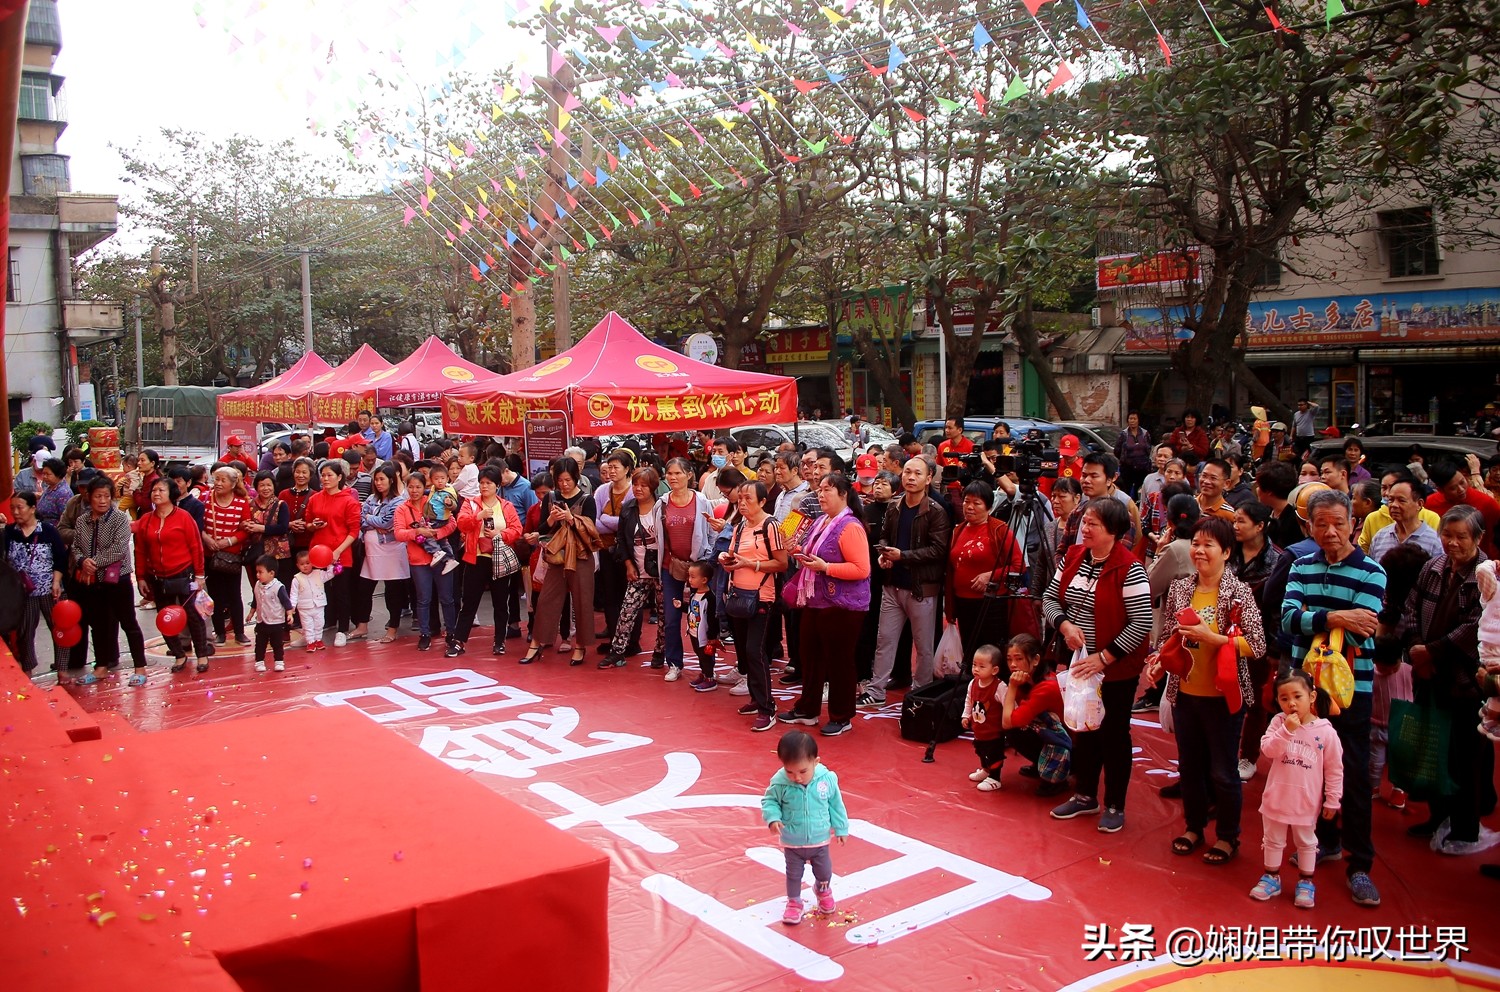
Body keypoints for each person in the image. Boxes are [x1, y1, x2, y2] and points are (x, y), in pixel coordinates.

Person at [1280, 488, 1387, 907]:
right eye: (1320, 524)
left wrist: (1317, 619)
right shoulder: (1301, 565)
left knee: (1353, 774)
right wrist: (1337, 616)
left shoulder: (1372, 571)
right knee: (1310, 769)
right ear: (1308, 526)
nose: (1330, 532)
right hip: (1304, 692)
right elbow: (1289, 619)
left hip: (1351, 690)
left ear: (1353, 525)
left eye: (1338, 524)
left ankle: (1360, 863)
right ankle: (1324, 842)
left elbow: (1366, 625)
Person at [1153, 517, 1268, 866]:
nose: (1200, 551)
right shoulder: (1181, 588)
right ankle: (1193, 826)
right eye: (1196, 544)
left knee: (1222, 770)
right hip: (1186, 692)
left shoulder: (1239, 592)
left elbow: (1258, 645)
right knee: (1189, 766)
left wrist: (1215, 639)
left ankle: (1228, 836)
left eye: (1209, 545)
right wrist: (1159, 658)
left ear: (1226, 552)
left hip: (1223, 697)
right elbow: (1170, 633)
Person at [1043, 497, 1152, 832]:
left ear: (1114, 532)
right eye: (1085, 523)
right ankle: (1085, 795)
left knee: (1113, 734)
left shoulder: (1129, 567)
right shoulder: (1074, 557)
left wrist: (1104, 658)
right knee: (1081, 727)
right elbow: (1050, 597)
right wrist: (1063, 625)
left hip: (1116, 668)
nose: (1085, 530)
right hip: (1078, 662)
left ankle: (1115, 803)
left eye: (1094, 525)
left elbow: (1141, 620)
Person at [1395, 505, 1495, 854]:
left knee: (1466, 757)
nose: (1452, 543)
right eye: (1447, 535)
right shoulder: (1432, 567)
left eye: (1461, 537)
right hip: (1427, 675)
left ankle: (1466, 827)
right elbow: (1410, 609)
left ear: (1479, 538)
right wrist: (1414, 649)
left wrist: (1432, 652)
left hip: (1465, 680)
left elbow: (1477, 626)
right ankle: (1438, 817)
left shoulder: (1487, 576)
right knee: (1431, 747)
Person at [778, 472, 871, 736]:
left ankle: (842, 716)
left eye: (827, 490)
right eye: (819, 490)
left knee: (839, 661)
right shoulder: (820, 521)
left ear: (844, 494)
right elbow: (809, 557)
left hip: (843, 605)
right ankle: (808, 709)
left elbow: (861, 569)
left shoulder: (850, 526)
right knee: (810, 656)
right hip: (816, 600)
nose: (821, 495)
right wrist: (792, 549)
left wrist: (826, 567)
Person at [859, 456, 952, 709]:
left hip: (921, 588)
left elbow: (939, 550)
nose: (911, 477)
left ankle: (920, 693)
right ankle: (876, 690)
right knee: (885, 640)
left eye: (917, 474)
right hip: (892, 585)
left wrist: (904, 556)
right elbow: (886, 537)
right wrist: (884, 555)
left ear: (928, 478)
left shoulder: (936, 511)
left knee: (923, 647)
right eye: (907, 472)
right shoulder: (894, 506)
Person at [1250, 669, 1345, 908]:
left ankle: (1306, 882)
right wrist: (1286, 731)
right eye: (1284, 698)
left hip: (1305, 800)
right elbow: (1268, 751)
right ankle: (1271, 878)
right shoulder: (1277, 723)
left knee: (1306, 841)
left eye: (1297, 696)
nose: (1291, 703)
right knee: (1272, 839)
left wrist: (1332, 800)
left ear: (1311, 697)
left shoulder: (1325, 732)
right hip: (1276, 797)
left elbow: (1334, 769)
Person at [719, 482, 789, 730]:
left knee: (755, 651)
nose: (743, 503)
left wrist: (751, 564)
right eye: (740, 499)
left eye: (748, 498)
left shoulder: (771, 526)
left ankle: (766, 707)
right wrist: (727, 561)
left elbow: (781, 563)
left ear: (762, 501)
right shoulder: (739, 528)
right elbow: (732, 556)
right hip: (739, 596)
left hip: (761, 597)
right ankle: (755, 696)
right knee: (743, 651)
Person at [761, 730, 849, 927]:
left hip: (820, 839)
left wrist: (841, 828)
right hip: (793, 840)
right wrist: (773, 818)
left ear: (815, 762)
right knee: (793, 875)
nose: (796, 777)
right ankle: (794, 901)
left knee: (824, 871)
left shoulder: (826, 780)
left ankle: (823, 889)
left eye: (802, 771)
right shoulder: (780, 783)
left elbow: (836, 804)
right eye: (789, 771)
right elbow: (770, 801)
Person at [70, 475, 149, 686]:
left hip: (118, 580)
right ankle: (101, 667)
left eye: (106, 496)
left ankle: (139, 667)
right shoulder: (82, 521)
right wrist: (81, 561)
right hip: (92, 581)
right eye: (98, 496)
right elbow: (75, 546)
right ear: (89, 497)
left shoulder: (120, 519)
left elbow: (119, 549)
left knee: (128, 623)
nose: (103, 500)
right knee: (99, 624)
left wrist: (92, 563)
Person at [523, 457, 600, 666]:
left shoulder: (587, 500)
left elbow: (592, 531)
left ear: (576, 477)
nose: (564, 484)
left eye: (568, 479)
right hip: (557, 556)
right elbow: (542, 529)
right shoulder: (550, 497)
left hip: (581, 557)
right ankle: (537, 643)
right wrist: (551, 520)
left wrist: (570, 518)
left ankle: (580, 646)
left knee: (582, 601)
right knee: (546, 599)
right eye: (560, 480)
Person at [134, 476, 211, 673]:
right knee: (165, 618)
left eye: (161, 490)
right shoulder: (146, 520)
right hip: (158, 577)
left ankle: (202, 654)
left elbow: (196, 547)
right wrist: (141, 576)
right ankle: (178, 654)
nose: (156, 494)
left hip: (185, 574)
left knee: (194, 616)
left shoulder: (184, 517)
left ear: (171, 494)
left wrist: (200, 575)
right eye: (154, 491)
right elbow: (140, 550)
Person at [945, 480, 1025, 670]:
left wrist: (991, 575)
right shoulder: (959, 529)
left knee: (992, 652)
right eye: (966, 501)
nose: (969, 507)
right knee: (971, 652)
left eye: (976, 503)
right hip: (963, 603)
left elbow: (1019, 565)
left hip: (991, 604)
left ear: (989, 506)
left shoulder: (999, 529)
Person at [452, 467, 523, 658]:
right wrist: (478, 517)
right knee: (469, 601)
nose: (484, 486)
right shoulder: (471, 504)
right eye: (482, 483)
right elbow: (462, 523)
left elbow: (517, 529)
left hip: (498, 558)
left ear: (497, 486)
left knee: (500, 602)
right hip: (476, 558)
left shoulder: (506, 506)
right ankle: (459, 640)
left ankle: (499, 641)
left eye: (488, 483)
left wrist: (500, 534)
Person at [600, 467, 664, 670]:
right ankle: (617, 651)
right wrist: (628, 564)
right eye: (635, 484)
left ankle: (660, 652)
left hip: (662, 570)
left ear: (652, 487)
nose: (638, 489)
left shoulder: (663, 507)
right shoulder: (628, 509)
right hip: (637, 569)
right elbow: (621, 539)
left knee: (664, 615)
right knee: (626, 611)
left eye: (643, 485)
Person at [999, 633, 1072, 796]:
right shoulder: (1029, 679)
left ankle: (1056, 776)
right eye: (1009, 659)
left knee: (1012, 729)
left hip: (1071, 747)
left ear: (1036, 660)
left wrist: (1011, 686)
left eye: (1018, 659)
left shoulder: (1046, 687)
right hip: (1059, 737)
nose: (1012, 665)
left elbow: (1008, 722)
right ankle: (1041, 763)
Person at [3, 491, 67, 675]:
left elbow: (60, 558)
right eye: (12, 508)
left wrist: (56, 581)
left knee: (59, 628)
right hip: (23, 592)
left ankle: (62, 669)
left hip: (49, 589)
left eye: (20, 507)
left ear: (32, 509)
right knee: (25, 632)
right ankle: (28, 669)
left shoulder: (47, 531)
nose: (15, 512)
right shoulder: (9, 533)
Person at [393, 472, 458, 652]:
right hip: (418, 560)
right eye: (411, 487)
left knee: (447, 598)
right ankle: (424, 633)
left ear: (424, 487)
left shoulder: (433, 500)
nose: (414, 491)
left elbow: (452, 523)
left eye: (418, 487)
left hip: (442, 558)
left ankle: (451, 633)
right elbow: (398, 533)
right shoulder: (402, 509)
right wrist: (418, 532)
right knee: (423, 599)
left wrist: (436, 534)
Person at [305, 459, 362, 647]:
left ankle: (342, 629)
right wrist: (312, 526)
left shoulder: (349, 501)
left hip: (340, 554)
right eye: (323, 475)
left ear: (339, 477)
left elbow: (354, 530)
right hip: (317, 552)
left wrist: (337, 551)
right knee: (317, 592)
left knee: (341, 592)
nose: (325, 479)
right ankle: (319, 627)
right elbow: (308, 523)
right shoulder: (315, 499)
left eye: (330, 475)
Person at [355, 464, 411, 645]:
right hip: (371, 551)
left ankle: (393, 628)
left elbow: (387, 522)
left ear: (391, 480)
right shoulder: (371, 498)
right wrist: (372, 520)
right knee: (364, 588)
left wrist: (371, 519)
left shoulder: (398, 501)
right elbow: (361, 519)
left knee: (392, 590)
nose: (378, 483)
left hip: (392, 550)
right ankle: (362, 625)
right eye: (376, 479)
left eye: (382, 479)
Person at [200, 466, 253, 647]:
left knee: (234, 594)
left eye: (223, 480)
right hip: (210, 555)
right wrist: (206, 538)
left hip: (231, 557)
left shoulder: (241, 502)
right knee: (215, 595)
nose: (219, 483)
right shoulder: (205, 499)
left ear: (233, 483)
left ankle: (239, 632)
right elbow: (198, 525)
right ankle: (219, 632)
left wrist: (228, 542)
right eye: (216, 479)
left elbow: (245, 530)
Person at [594, 451, 636, 656]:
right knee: (611, 597)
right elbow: (594, 523)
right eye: (609, 467)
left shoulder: (634, 491)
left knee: (630, 597)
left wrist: (606, 519)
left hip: (629, 552)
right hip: (606, 550)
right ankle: (614, 638)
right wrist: (612, 522)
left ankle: (631, 641)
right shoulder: (602, 490)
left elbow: (628, 524)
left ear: (627, 469)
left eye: (615, 467)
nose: (611, 471)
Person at [1425, 461, 1500, 560]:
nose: (1461, 489)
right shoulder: (1430, 504)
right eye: (1453, 488)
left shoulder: (1487, 503)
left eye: (1462, 482)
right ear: (1441, 490)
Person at [962, 644, 1009, 792]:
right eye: (974, 665)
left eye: (982, 666)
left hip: (994, 731)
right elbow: (969, 700)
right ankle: (985, 769)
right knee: (981, 750)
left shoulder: (1000, 687)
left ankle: (995, 777)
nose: (976, 669)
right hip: (979, 729)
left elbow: (1009, 703)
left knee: (994, 754)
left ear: (994, 670)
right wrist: (966, 715)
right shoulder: (973, 683)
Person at [1368, 474, 1442, 561]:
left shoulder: (1434, 541)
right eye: (1391, 500)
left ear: (1419, 504)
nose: (1394, 505)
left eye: (1401, 500)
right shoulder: (1380, 537)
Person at [244, 470, 293, 595]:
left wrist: (260, 528)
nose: (266, 488)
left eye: (268, 485)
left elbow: (283, 527)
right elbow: (245, 524)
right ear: (256, 487)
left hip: (279, 555)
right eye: (262, 485)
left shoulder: (281, 505)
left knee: (281, 589)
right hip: (258, 553)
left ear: (273, 486)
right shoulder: (250, 505)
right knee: (260, 590)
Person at [678, 560, 722, 691]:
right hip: (694, 631)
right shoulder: (694, 594)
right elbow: (693, 609)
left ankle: (710, 678)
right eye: (689, 576)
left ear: (704, 580)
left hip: (705, 635)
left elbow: (713, 618)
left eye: (693, 576)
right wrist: (681, 606)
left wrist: (712, 637)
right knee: (699, 654)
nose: (689, 579)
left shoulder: (710, 598)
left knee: (706, 656)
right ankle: (704, 674)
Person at [250, 555, 292, 673]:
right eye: (256, 572)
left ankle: (279, 661)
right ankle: (259, 662)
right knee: (260, 644)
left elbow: (286, 602)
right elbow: (256, 600)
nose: (257, 575)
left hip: (276, 622)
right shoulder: (257, 585)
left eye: (260, 572)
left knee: (277, 643)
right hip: (261, 621)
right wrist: (251, 612)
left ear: (271, 573)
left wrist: (289, 614)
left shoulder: (278, 587)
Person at [289, 549, 329, 652]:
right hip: (304, 607)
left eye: (308, 563)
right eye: (302, 564)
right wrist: (292, 606)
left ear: (313, 562)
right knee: (307, 626)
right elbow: (293, 594)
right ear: (297, 565)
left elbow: (330, 574)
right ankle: (310, 642)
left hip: (319, 605)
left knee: (319, 624)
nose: (305, 566)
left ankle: (318, 640)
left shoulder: (319, 574)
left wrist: (331, 563)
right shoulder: (296, 579)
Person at [1115, 412, 1153, 496]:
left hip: (1142, 468)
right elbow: (1117, 450)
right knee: (1126, 490)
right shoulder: (1124, 434)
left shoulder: (1144, 433)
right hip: (1127, 468)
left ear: (1138, 420)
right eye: (1130, 419)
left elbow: (1148, 448)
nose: (1132, 421)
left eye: (1134, 419)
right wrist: (1125, 459)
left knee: (1140, 490)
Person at [1048, 477, 1084, 566]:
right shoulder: (1049, 526)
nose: (1055, 501)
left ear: (1077, 498)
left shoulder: (1083, 527)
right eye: (1053, 496)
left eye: (1062, 496)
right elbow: (1041, 564)